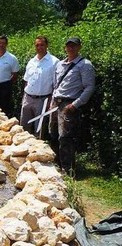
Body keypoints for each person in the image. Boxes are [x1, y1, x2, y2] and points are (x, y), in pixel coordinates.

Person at [49, 37, 96, 175]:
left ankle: (68, 170)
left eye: (74, 46)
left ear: (79, 47)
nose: (71, 48)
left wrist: (75, 105)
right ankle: (56, 165)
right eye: (69, 46)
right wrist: (52, 101)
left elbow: (89, 87)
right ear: (65, 47)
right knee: (53, 134)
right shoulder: (60, 64)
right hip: (56, 102)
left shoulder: (85, 65)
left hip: (69, 103)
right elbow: (56, 84)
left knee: (65, 137)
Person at [20, 36, 59, 135]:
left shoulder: (54, 62)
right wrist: (24, 96)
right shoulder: (31, 61)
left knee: (39, 129)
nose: (39, 47)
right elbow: (26, 80)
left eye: (42, 45)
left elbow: (56, 85)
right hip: (28, 99)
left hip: (42, 100)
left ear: (47, 45)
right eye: (37, 45)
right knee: (24, 127)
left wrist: (50, 101)